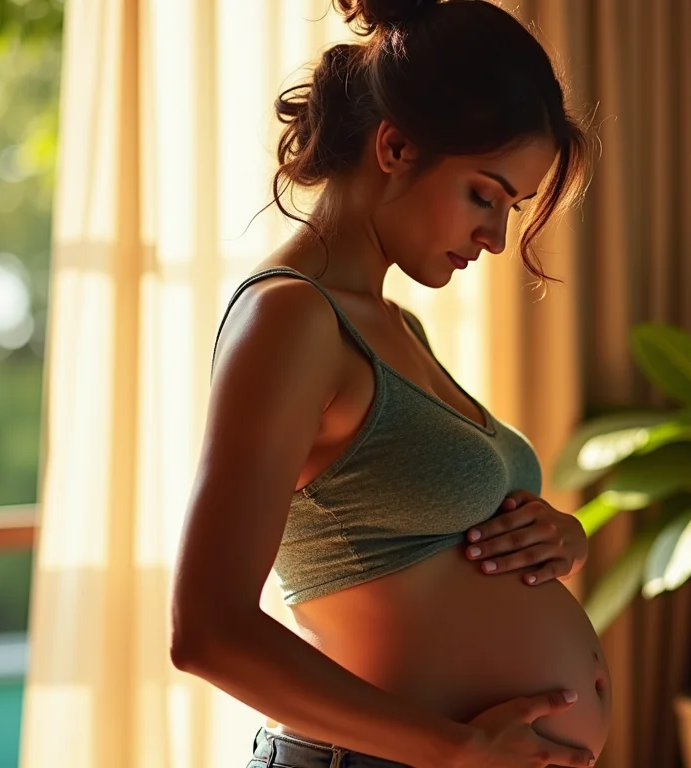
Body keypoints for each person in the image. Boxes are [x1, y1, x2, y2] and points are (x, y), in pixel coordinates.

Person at [169, 1, 609, 766]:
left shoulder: (394, 326)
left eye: (511, 208)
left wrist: (556, 540)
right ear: (396, 146)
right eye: (484, 195)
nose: (495, 237)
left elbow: (422, 542)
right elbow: (208, 631)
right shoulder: (290, 318)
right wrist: (455, 750)